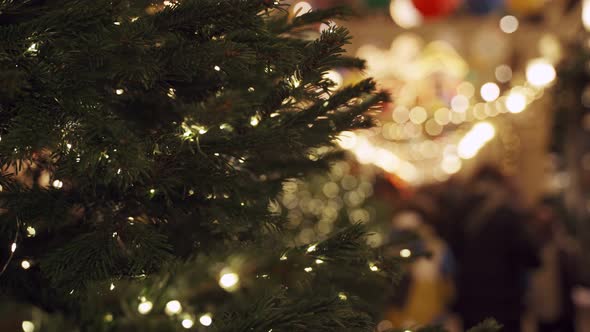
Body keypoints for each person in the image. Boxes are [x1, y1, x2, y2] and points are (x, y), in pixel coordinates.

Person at [446, 165, 540, 332]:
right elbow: (531, 257)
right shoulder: (508, 215)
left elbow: (453, 251)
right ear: (500, 185)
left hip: (470, 301)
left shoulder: (459, 211)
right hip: (505, 303)